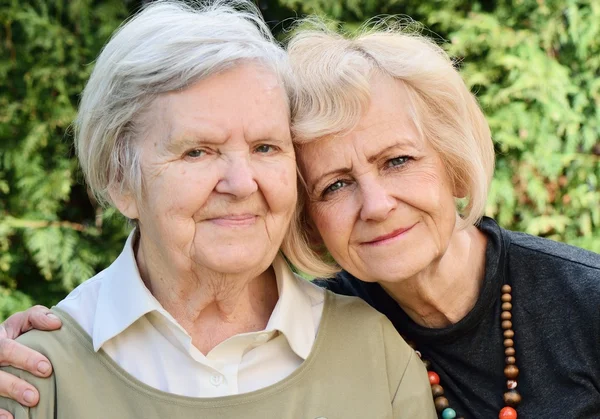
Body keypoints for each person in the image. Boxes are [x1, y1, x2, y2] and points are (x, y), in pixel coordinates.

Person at [3, 10, 600, 419]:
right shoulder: (43, 365)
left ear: (451, 160)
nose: (376, 204)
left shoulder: (579, 300)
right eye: (336, 184)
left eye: (397, 161)